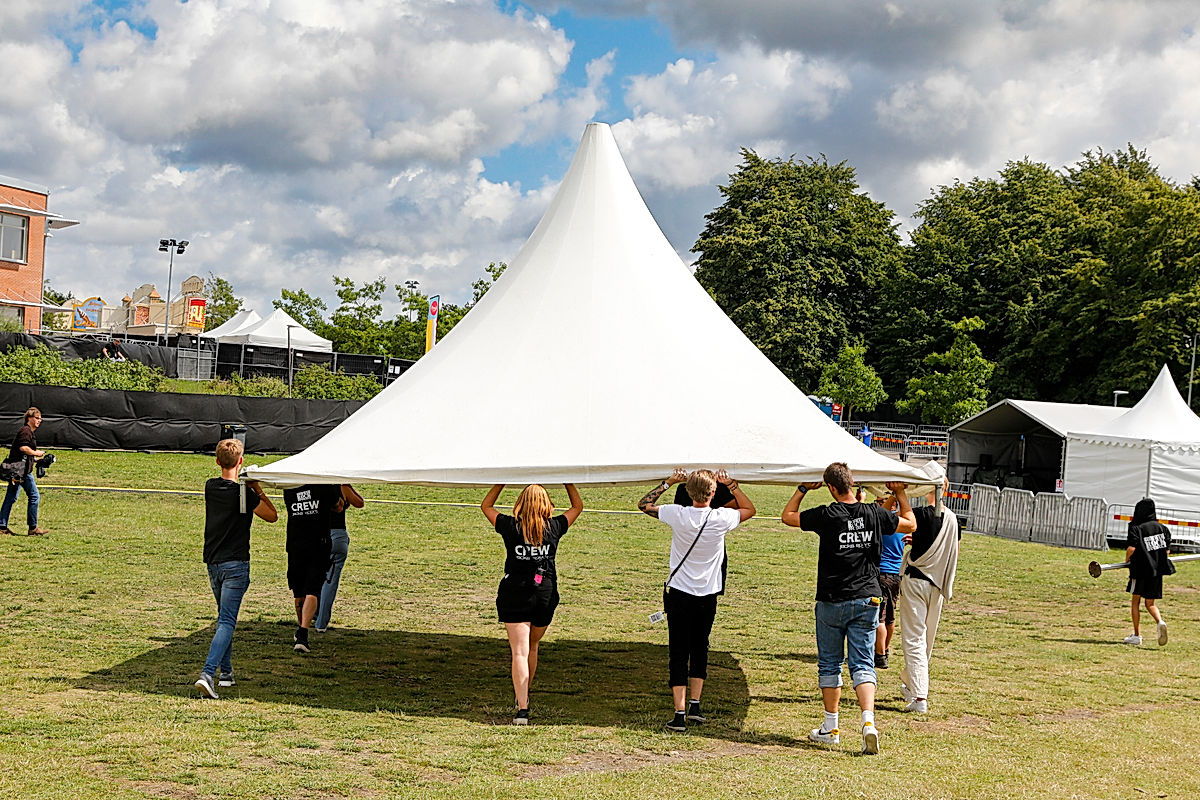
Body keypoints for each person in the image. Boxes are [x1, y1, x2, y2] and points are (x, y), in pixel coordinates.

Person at [781, 463, 915, 755]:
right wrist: (901, 493)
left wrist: (802, 489)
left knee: (830, 663)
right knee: (863, 664)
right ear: (853, 483)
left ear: (830, 487)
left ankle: (831, 727)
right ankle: (868, 722)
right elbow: (910, 523)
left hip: (832, 599)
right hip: (868, 597)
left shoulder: (827, 514)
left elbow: (787, 517)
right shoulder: (876, 514)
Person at [638, 468, 755, 733]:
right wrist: (733, 486)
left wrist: (669, 481)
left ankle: (679, 713)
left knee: (678, 650)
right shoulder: (722, 517)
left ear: (687, 492)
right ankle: (695, 705)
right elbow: (750, 509)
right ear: (714, 493)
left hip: (679, 592)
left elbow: (644, 504)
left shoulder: (677, 514)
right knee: (700, 646)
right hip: (708, 594)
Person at [481, 482, 584, 725]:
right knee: (533, 645)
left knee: (519, 650)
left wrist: (501, 482)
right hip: (544, 593)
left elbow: (486, 506)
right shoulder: (555, 526)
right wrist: (568, 482)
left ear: (521, 504)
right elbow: (578, 507)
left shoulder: (509, 526)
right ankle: (523, 695)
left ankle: (522, 707)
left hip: (515, 592)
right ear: (547, 505)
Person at [194, 438, 278, 699]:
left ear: (217, 461)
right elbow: (272, 515)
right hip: (236, 564)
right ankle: (208, 673)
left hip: (214, 562)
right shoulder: (244, 493)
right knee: (227, 621)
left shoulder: (210, 486)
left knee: (223, 618)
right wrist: (257, 489)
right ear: (240, 461)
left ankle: (226, 673)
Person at [898, 467, 961, 714]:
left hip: (917, 580)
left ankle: (920, 697)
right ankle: (912, 683)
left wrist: (899, 493)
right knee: (926, 639)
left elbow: (903, 523)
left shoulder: (922, 514)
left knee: (914, 638)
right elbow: (950, 549)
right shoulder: (953, 519)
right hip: (937, 583)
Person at [283, 483, 343, 653]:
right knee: (312, 590)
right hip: (318, 544)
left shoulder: (290, 486)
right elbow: (338, 506)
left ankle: (301, 630)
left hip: (295, 544)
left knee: (299, 592)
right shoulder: (323, 485)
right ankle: (303, 632)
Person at [1122, 497, 1173, 647]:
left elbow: (1132, 548)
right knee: (1150, 603)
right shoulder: (1163, 528)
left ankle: (1137, 635)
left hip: (1140, 571)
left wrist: (1126, 561)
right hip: (1157, 571)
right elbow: (1167, 551)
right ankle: (1160, 621)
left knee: (1135, 602)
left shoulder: (1136, 528)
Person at [314, 484, 365, 633]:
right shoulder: (341, 486)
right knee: (330, 582)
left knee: (315, 578)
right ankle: (321, 623)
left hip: (317, 536)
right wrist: (348, 484)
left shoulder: (314, 485)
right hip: (338, 536)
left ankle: (313, 613)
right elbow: (360, 502)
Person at [0, 407, 49, 536]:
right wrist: (36, 453)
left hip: (18, 471)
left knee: (10, 497)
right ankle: (33, 528)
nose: (40, 421)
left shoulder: (28, 432)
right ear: (30, 418)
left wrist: (39, 461)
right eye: (37, 418)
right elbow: (23, 448)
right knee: (34, 496)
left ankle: (2, 526)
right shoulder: (26, 431)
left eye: (40, 418)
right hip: (21, 473)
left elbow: (25, 455)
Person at [874, 493, 904, 669]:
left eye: (880, 502)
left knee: (879, 618)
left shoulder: (881, 524)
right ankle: (885, 649)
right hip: (895, 576)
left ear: (892, 505)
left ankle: (880, 655)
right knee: (891, 618)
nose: (878, 506)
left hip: (880, 574)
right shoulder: (902, 526)